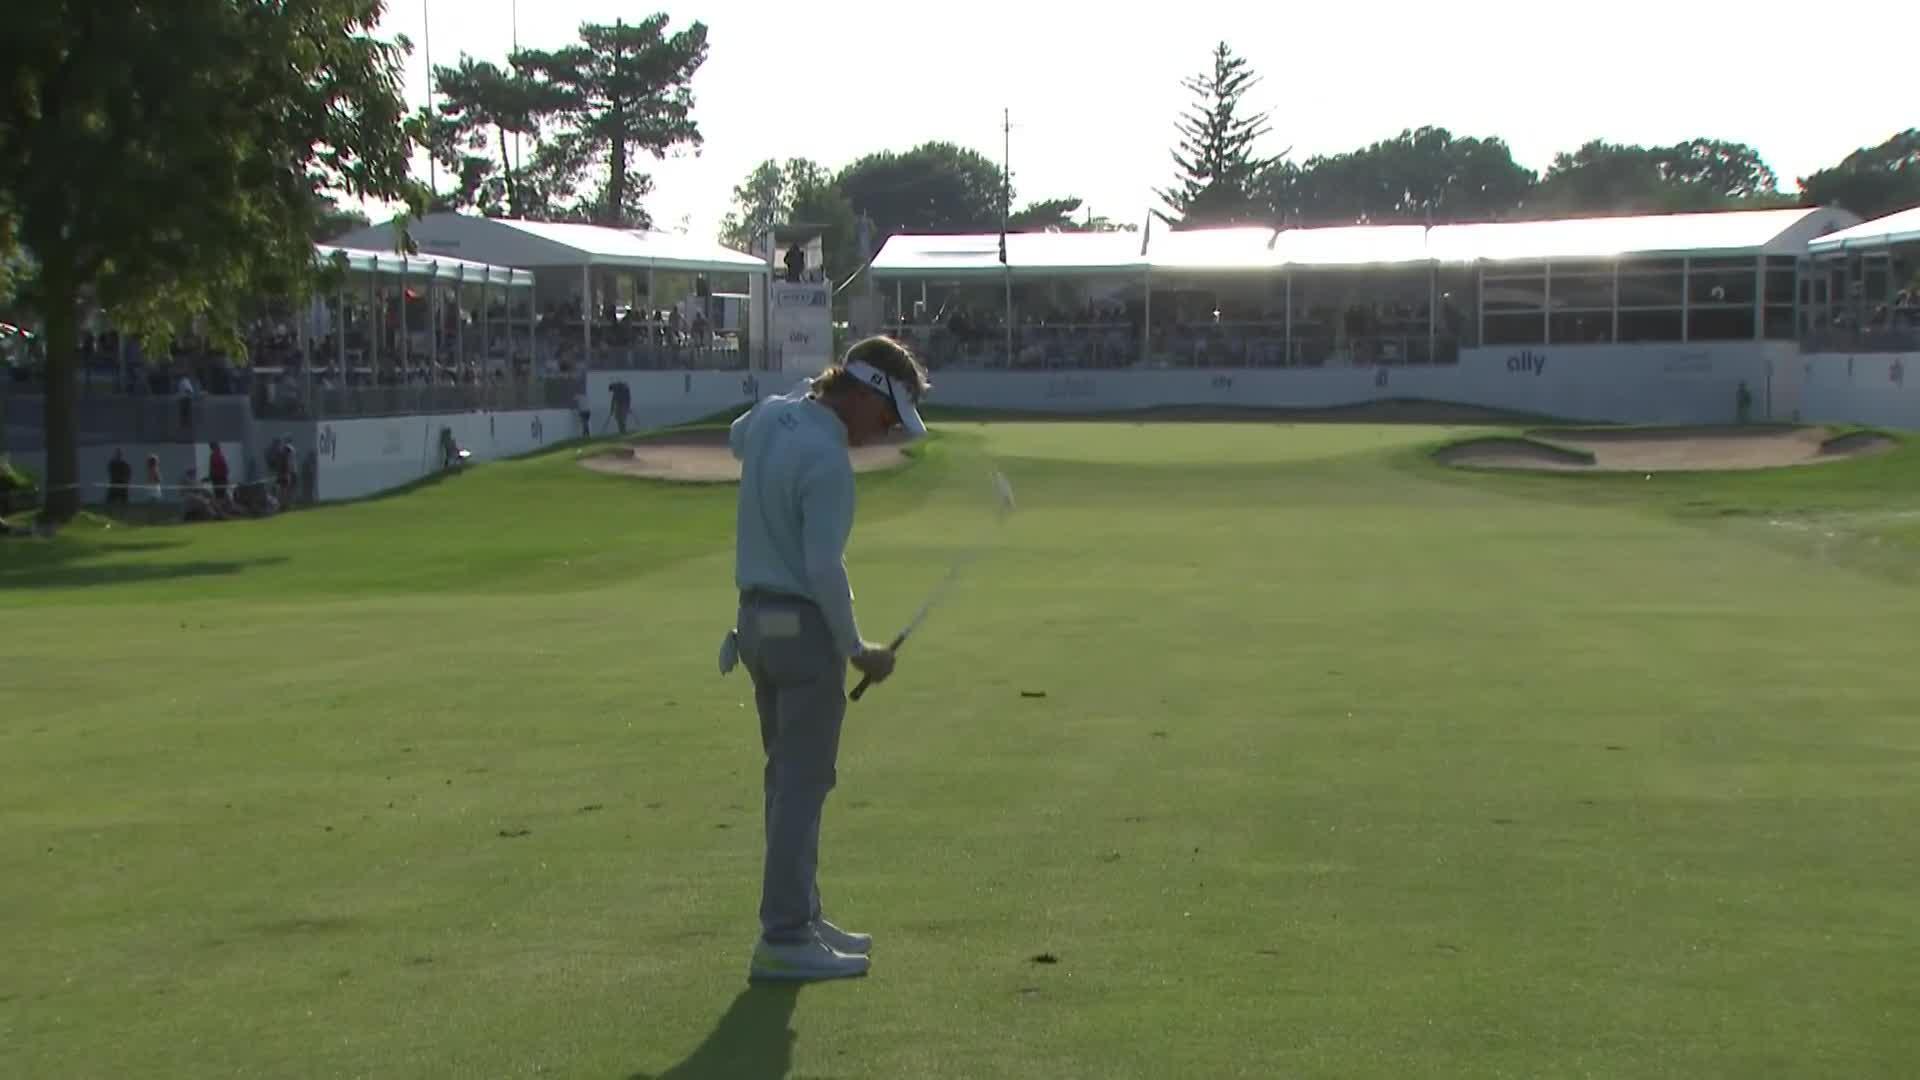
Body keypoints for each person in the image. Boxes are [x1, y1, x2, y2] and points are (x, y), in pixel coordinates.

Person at [720, 335, 930, 983]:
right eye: (888, 415)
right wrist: (858, 649)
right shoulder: (827, 461)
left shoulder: (775, 420)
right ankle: (784, 935)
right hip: (801, 632)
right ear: (863, 395)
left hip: (754, 625)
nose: (887, 431)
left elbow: (736, 435)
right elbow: (821, 568)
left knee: (786, 782)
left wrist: (798, 398)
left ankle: (802, 914)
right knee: (803, 786)